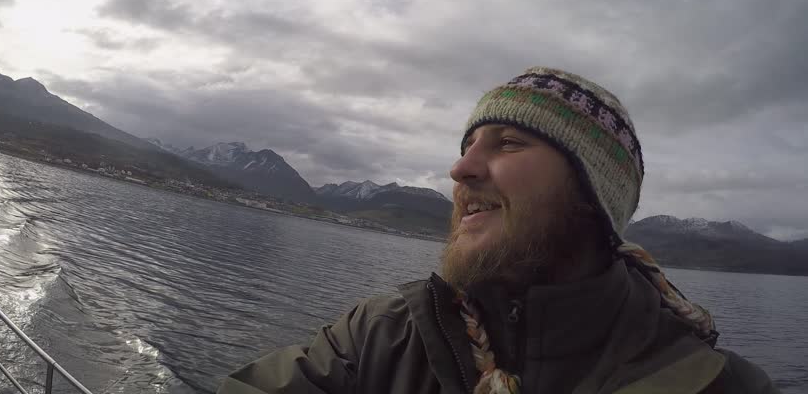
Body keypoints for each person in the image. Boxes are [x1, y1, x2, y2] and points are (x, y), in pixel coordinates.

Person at [217, 67, 778, 394]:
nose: (460, 170)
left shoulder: (715, 383)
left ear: (592, 197)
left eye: (508, 143)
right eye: (467, 148)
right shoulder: (382, 335)